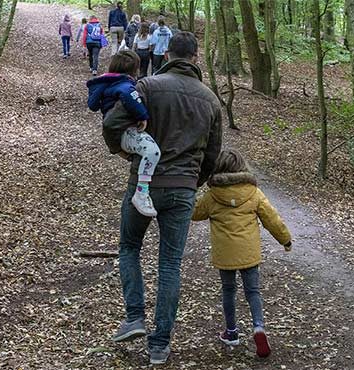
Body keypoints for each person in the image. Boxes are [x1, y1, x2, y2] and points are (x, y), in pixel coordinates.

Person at [101, 32, 223, 365]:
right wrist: (191, 183)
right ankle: (159, 345)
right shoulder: (211, 100)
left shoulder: (147, 87)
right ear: (196, 57)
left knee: (129, 247)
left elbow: (112, 124)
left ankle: (135, 317)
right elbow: (213, 155)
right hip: (182, 188)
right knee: (170, 264)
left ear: (167, 53)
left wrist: (127, 154)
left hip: (144, 183)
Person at [191, 149, 292, 359]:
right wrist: (285, 239)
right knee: (253, 291)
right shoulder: (253, 193)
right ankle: (258, 327)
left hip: (225, 253)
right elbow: (272, 219)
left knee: (228, 290)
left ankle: (231, 332)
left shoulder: (212, 195)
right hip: (249, 252)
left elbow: (195, 213)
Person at [86, 51, 159, 217]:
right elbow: (129, 94)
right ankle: (142, 192)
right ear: (133, 70)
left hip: (116, 133)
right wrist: (143, 116)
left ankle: (133, 165)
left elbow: (92, 105)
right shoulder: (124, 84)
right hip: (125, 130)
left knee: (139, 154)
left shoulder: (105, 83)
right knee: (152, 151)